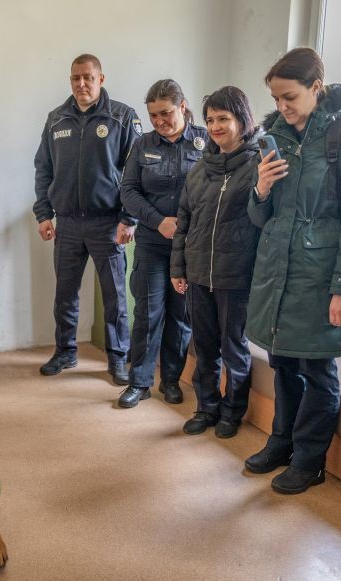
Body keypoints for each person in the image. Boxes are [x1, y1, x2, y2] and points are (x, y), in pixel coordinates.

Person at [243, 48, 341, 493]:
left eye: (290, 96)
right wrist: (260, 188)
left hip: (320, 273)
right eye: (277, 98)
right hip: (277, 269)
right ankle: (281, 442)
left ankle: (309, 458)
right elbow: (262, 217)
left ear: (317, 88)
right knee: (282, 361)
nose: (282, 106)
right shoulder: (274, 136)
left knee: (318, 369)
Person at [33, 54, 142, 385]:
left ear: (101, 79)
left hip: (107, 223)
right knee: (65, 294)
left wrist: (129, 219)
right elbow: (43, 168)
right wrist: (43, 213)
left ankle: (118, 358)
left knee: (114, 297)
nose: (81, 84)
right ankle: (66, 351)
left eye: (88, 78)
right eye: (75, 78)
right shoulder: (56, 120)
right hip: (66, 223)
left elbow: (136, 172)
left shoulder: (122, 117)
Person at [170, 86, 261, 437]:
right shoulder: (199, 169)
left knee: (233, 347)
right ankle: (206, 406)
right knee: (203, 346)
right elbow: (184, 222)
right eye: (210, 120)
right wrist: (178, 268)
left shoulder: (258, 165)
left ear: (242, 119)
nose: (216, 126)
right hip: (198, 274)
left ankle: (231, 412)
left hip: (236, 276)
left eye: (224, 118)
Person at [116, 79, 205, 409]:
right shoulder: (142, 145)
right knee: (148, 314)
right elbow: (128, 191)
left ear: (182, 106)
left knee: (180, 317)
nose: (159, 121)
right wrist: (158, 220)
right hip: (153, 243)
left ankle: (170, 380)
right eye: (153, 115)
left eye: (165, 113)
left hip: (190, 247)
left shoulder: (205, 142)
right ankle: (139, 381)